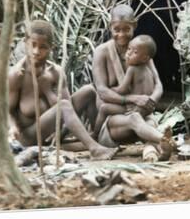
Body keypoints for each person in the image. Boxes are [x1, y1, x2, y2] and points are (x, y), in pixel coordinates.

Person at [9, 20, 118, 161]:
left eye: (43, 47)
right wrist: (12, 128)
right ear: (25, 42)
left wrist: (60, 131)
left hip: (52, 131)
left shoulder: (55, 72)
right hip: (28, 136)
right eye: (32, 45)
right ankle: (95, 149)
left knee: (89, 91)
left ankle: (97, 138)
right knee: (63, 106)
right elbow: (7, 111)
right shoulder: (17, 74)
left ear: (51, 48)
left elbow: (69, 109)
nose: (36, 52)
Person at [92, 5, 174, 160]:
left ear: (134, 26)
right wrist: (132, 99)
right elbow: (102, 91)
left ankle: (154, 151)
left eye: (126, 29)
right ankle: (165, 140)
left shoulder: (140, 50)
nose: (121, 34)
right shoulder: (102, 52)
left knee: (148, 121)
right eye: (117, 29)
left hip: (141, 113)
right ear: (110, 27)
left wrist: (151, 101)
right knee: (135, 118)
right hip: (114, 122)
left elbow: (158, 84)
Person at [94, 34, 158, 133]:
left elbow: (122, 89)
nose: (128, 54)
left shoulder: (132, 69)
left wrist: (112, 90)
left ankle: (95, 134)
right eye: (129, 49)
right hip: (147, 109)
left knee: (103, 108)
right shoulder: (148, 70)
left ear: (145, 58)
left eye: (135, 52)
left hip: (133, 107)